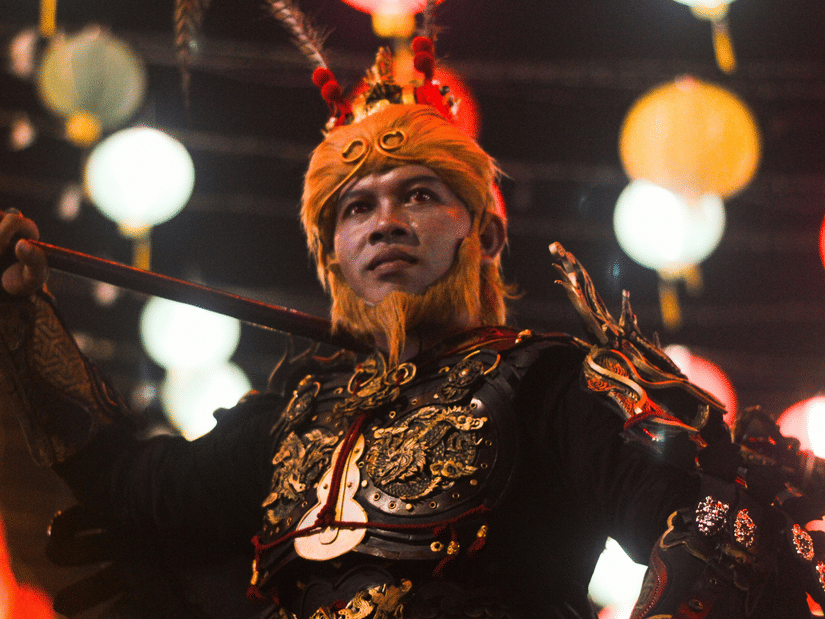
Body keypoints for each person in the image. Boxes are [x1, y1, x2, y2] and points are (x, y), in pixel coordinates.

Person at [0, 35, 824, 619]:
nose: (384, 221)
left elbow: (720, 531)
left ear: (485, 235)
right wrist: (21, 312)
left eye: (419, 195)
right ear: (332, 259)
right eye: (356, 208)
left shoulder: (554, 381)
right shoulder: (297, 414)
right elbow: (132, 485)